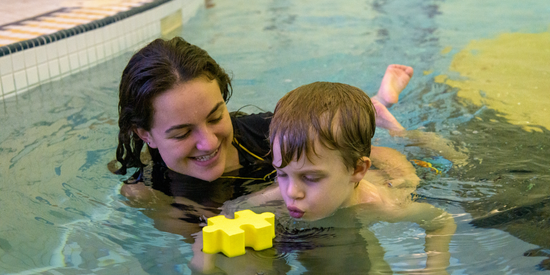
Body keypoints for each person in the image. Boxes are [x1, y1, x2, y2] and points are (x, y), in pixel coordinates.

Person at [114, 36, 414, 206]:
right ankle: (378, 102)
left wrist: (404, 186)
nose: (207, 142)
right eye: (181, 133)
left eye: (216, 116)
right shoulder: (150, 191)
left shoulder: (270, 133)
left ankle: (378, 106)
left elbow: (374, 156)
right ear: (145, 135)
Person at [202, 81, 457, 274]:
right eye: (281, 174)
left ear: (357, 171)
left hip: (397, 174)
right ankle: (380, 105)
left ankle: (397, 129)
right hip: (345, 162)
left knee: (411, 176)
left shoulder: (380, 204)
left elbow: (441, 221)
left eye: (311, 178)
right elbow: (231, 211)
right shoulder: (281, 194)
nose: (292, 192)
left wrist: (436, 267)